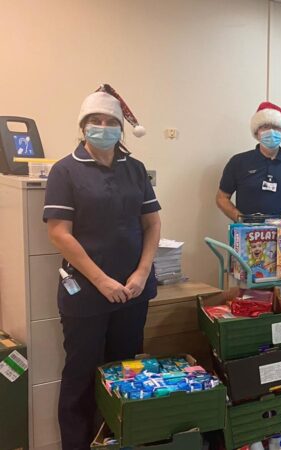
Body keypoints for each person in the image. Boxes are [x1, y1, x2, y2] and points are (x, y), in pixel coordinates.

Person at [43, 84, 161, 449]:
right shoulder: (65, 171)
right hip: (86, 295)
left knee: (124, 375)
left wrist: (141, 273)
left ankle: (114, 442)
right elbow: (59, 234)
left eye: (111, 121)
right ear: (83, 126)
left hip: (133, 292)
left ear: (120, 128)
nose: (103, 126)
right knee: (81, 377)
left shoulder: (136, 169)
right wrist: (103, 281)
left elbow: (152, 224)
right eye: (95, 120)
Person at [216, 102, 281, 221]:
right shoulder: (238, 162)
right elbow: (221, 198)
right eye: (265, 127)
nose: (271, 132)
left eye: (276, 127)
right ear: (256, 132)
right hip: (246, 233)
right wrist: (240, 219)